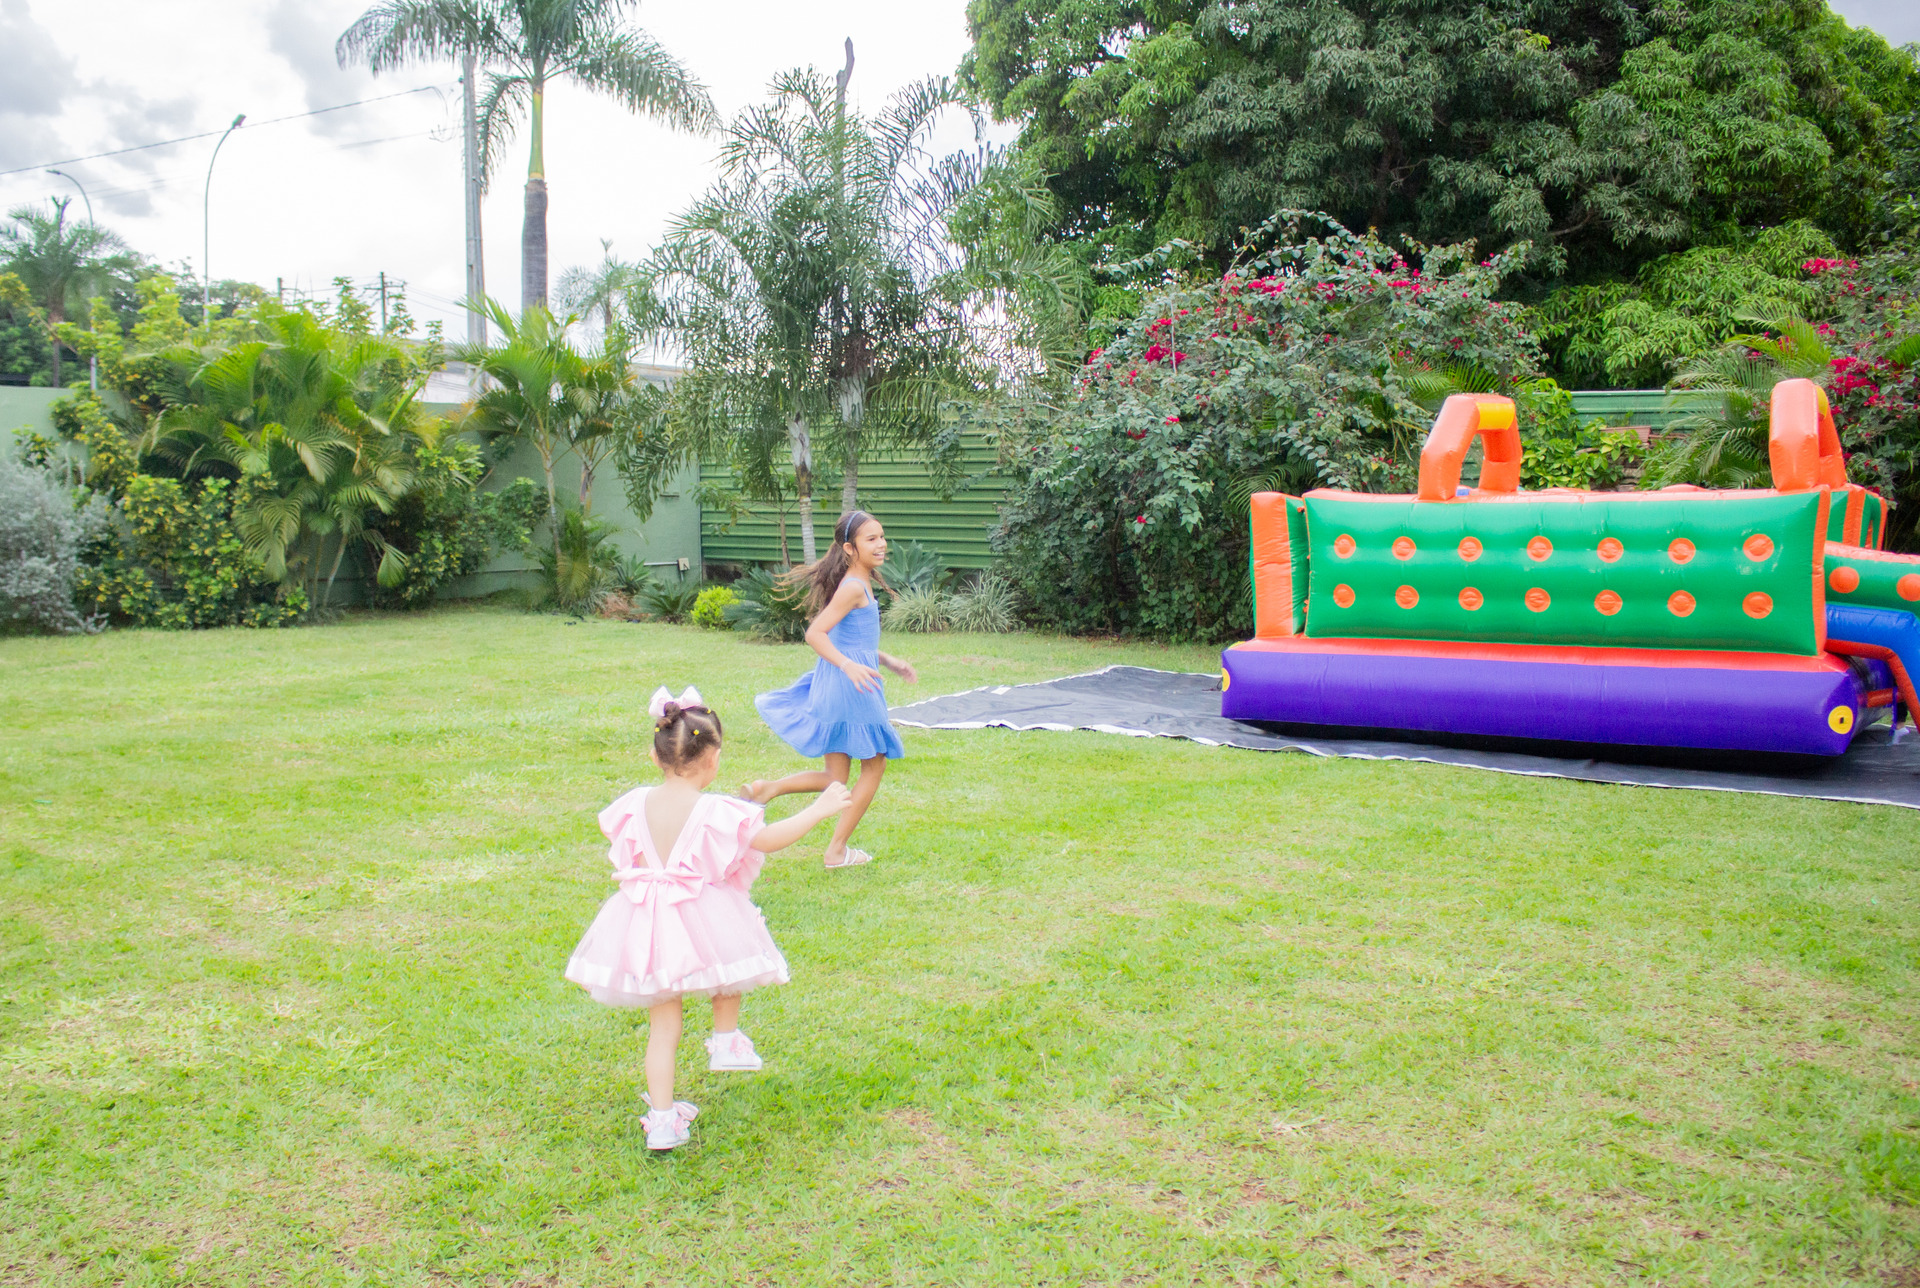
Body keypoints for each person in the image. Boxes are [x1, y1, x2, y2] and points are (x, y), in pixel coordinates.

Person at [564, 686, 851, 1152]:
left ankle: (662, 1121)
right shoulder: (717, 810)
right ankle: (725, 1039)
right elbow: (769, 839)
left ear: (656, 756)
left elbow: (632, 853)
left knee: (664, 1026)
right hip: (699, 910)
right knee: (727, 957)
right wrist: (819, 809)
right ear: (714, 758)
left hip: (646, 921)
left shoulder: (632, 804)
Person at [746, 510, 917, 868]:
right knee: (874, 765)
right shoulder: (853, 586)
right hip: (850, 686)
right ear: (850, 548)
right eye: (871, 539)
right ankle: (836, 850)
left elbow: (851, 638)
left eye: (882, 536)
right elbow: (815, 634)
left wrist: (886, 660)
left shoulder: (857, 583)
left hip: (843, 684)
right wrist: (849, 666)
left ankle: (768, 789)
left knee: (834, 777)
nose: (882, 544)